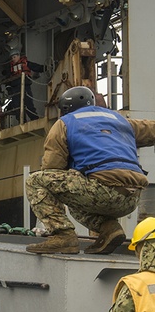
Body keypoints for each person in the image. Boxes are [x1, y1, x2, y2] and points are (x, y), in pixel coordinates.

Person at [25, 86, 155, 255]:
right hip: (131, 198)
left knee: (36, 181)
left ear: (64, 109)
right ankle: (110, 229)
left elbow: (52, 167)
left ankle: (63, 236)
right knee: (75, 202)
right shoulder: (121, 120)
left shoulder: (64, 123)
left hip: (102, 191)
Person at [5, 51, 44, 122]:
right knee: (16, 105)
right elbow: (7, 79)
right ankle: (21, 121)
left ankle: (34, 119)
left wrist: (45, 68)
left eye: (14, 57)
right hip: (15, 88)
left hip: (25, 86)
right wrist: (8, 88)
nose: (13, 59)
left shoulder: (26, 63)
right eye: (12, 58)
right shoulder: (10, 68)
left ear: (18, 56)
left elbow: (36, 67)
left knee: (29, 103)